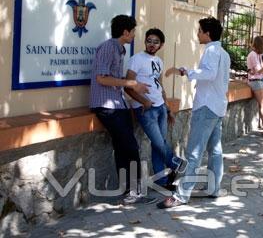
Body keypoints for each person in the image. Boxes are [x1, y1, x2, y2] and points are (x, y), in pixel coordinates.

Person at [158, 17, 231, 209]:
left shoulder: (212, 51)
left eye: (199, 31)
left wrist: (185, 71)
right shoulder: (222, 52)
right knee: (215, 151)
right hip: (217, 107)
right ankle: (213, 188)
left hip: (207, 107)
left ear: (207, 33)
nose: (197, 34)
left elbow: (209, 73)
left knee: (194, 152)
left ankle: (182, 194)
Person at [90, 14, 153, 205]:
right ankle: (135, 191)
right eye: (133, 31)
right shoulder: (109, 47)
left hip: (118, 104)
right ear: (125, 32)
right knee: (130, 147)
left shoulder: (119, 50)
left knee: (122, 147)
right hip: (107, 106)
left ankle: (129, 191)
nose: (134, 35)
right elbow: (101, 78)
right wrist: (132, 83)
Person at [125, 28, 186, 192]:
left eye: (156, 42)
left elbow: (160, 86)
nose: (152, 44)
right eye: (149, 41)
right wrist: (144, 102)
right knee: (160, 143)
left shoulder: (159, 61)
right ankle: (176, 163)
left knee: (157, 145)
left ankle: (161, 181)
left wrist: (167, 108)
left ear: (161, 45)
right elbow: (128, 86)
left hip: (160, 108)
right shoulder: (136, 59)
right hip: (146, 109)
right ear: (145, 41)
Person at [246, 36, 263, 127]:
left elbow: (262, 71)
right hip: (255, 81)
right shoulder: (252, 54)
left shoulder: (258, 55)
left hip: (260, 79)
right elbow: (258, 71)